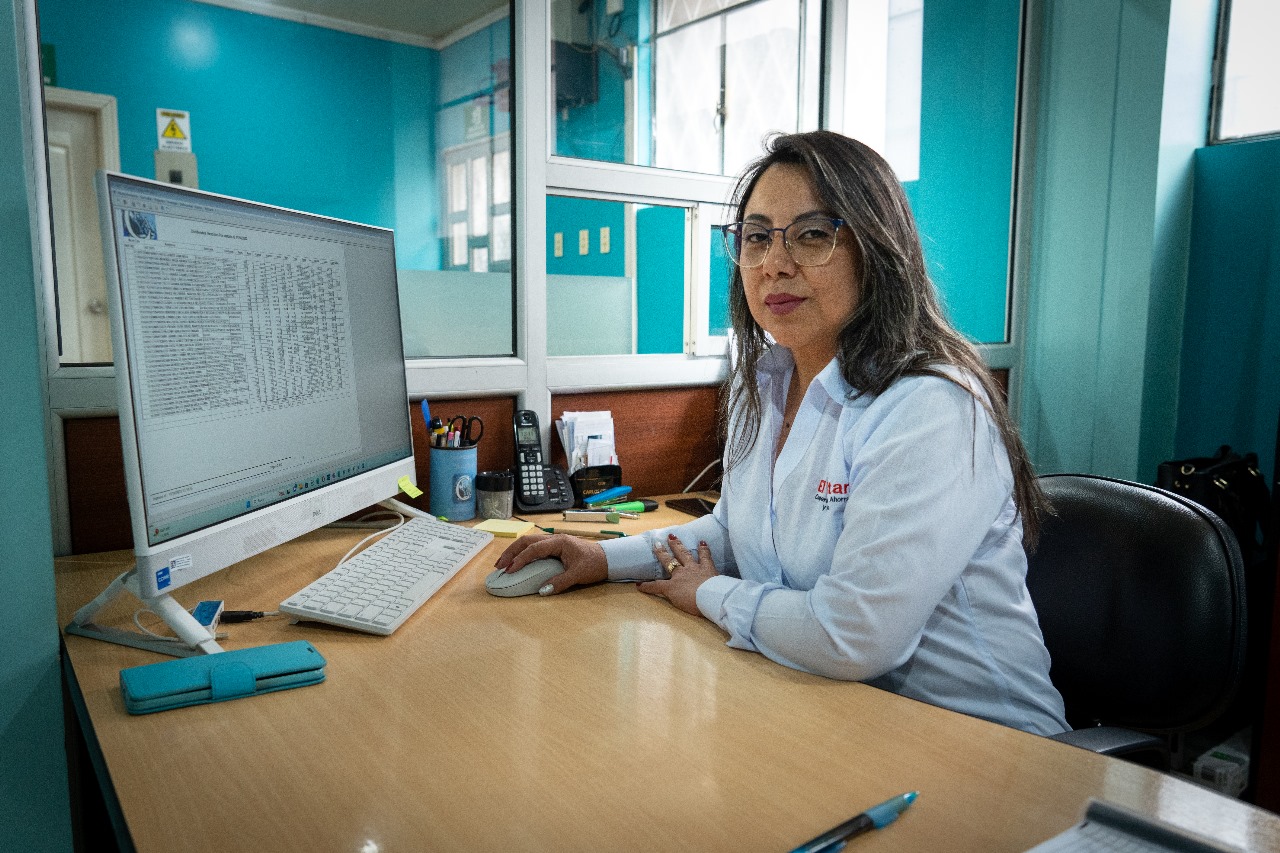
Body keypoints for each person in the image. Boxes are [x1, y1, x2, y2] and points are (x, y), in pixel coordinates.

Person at [496, 130, 1069, 736]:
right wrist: (600, 559)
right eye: (757, 237)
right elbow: (734, 533)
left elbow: (853, 637)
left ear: (877, 248)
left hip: (983, 743)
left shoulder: (931, 406)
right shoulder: (765, 383)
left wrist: (710, 594)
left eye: (812, 234)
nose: (774, 263)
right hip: (837, 717)